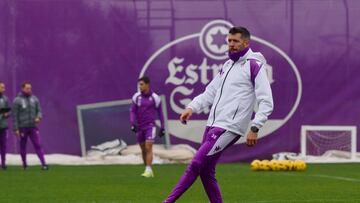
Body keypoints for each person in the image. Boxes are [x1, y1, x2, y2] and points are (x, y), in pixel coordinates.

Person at [163, 26, 274, 203]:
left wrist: (255, 126)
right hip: (213, 124)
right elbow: (210, 92)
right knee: (206, 171)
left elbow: (266, 101)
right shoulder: (228, 65)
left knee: (196, 164)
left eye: (235, 41)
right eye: (229, 41)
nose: (231, 44)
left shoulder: (254, 65)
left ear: (246, 43)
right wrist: (192, 107)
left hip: (230, 127)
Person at [130, 76, 165, 178]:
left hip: (150, 126)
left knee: (148, 147)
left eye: (141, 84)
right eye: (139, 85)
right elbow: (132, 111)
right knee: (143, 149)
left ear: (147, 84)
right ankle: (147, 169)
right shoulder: (136, 97)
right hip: (140, 127)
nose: (140, 86)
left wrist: (162, 127)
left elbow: (160, 113)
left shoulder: (155, 97)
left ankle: (148, 169)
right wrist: (132, 123)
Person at [13, 82, 48, 170]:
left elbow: (39, 110)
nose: (29, 90)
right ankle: (24, 164)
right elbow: (15, 115)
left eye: (30, 88)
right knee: (23, 145)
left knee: (38, 144)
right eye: (27, 88)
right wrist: (16, 128)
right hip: (22, 127)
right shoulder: (17, 100)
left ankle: (44, 164)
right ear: (23, 88)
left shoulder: (34, 99)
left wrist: (39, 117)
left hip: (33, 126)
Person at [0, 82, 11, 170]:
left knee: (3, 145)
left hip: (3, 126)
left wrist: (7, 114)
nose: (4, 89)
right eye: (2, 87)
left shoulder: (5, 98)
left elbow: (9, 111)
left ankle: (3, 163)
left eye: (4, 87)